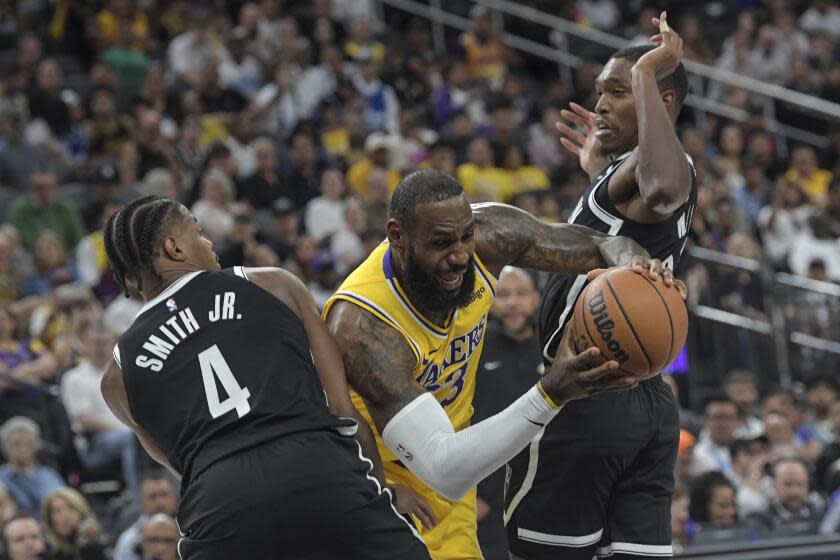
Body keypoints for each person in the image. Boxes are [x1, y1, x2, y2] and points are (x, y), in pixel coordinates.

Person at [325, 165, 671, 559]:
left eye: (466, 237)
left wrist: (634, 262)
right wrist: (551, 394)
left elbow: (597, 245)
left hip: (450, 478)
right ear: (398, 237)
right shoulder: (363, 325)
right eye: (441, 243)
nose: (459, 256)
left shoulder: (488, 236)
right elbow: (441, 465)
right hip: (378, 484)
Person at [99, 195, 431, 559]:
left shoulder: (117, 377)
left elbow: (183, 467)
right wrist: (380, 491)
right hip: (317, 471)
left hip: (220, 509)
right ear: (173, 247)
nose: (209, 243)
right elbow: (342, 410)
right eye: (198, 231)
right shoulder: (273, 284)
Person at [505, 14, 696, 559]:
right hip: (648, 402)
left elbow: (658, 187)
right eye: (601, 91)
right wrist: (595, 171)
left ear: (660, 99)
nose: (602, 104)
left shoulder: (665, 168)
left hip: (587, 392)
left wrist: (645, 71)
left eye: (619, 90)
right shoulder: (632, 174)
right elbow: (628, 217)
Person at [473, 267, 543, 560]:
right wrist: (471, 496)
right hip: (487, 503)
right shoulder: (473, 350)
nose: (512, 303)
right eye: (503, 295)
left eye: (521, 294)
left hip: (546, 493)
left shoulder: (553, 349)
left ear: (537, 299)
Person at [0, 417, 64, 517]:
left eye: (29, 443)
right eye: (17, 444)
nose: (23, 449)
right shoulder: (2, 479)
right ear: (6, 446)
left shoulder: (49, 474)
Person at [113, 470, 178, 560]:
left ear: (174, 497)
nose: (159, 502)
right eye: (152, 496)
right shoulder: (128, 541)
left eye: (164, 495)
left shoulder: (190, 532)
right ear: (141, 501)